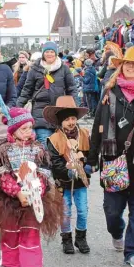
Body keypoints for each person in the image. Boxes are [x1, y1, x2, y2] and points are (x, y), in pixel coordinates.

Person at [87, 47, 134, 267]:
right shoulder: (109, 92)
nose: (131, 66)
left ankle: (133, 252)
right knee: (112, 211)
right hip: (113, 161)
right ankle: (117, 231)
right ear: (121, 66)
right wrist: (92, 159)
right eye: (127, 63)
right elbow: (97, 128)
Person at [0, 103, 63, 267]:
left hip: (33, 200)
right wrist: (17, 193)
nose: (29, 131)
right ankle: (12, 264)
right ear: (13, 131)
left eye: (30, 127)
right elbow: (1, 176)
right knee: (11, 233)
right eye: (24, 128)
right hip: (9, 201)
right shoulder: (3, 151)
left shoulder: (38, 150)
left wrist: (37, 190)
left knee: (31, 234)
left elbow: (44, 173)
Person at [45, 96, 91, 255]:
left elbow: (91, 154)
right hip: (63, 183)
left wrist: (91, 165)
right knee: (65, 211)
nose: (71, 122)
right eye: (66, 119)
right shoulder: (54, 139)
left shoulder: (84, 134)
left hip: (81, 183)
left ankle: (81, 237)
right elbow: (54, 163)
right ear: (60, 122)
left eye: (73, 118)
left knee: (83, 210)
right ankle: (66, 239)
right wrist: (67, 171)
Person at [17, 41, 77, 148]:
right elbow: (27, 90)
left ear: (56, 53)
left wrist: (74, 107)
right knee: (45, 145)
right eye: (47, 51)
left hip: (60, 114)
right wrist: (18, 108)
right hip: (40, 115)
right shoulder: (35, 69)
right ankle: (46, 164)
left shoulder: (64, 69)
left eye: (52, 51)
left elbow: (72, 89)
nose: (49, 54)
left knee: (61, 148)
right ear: (43, 53)